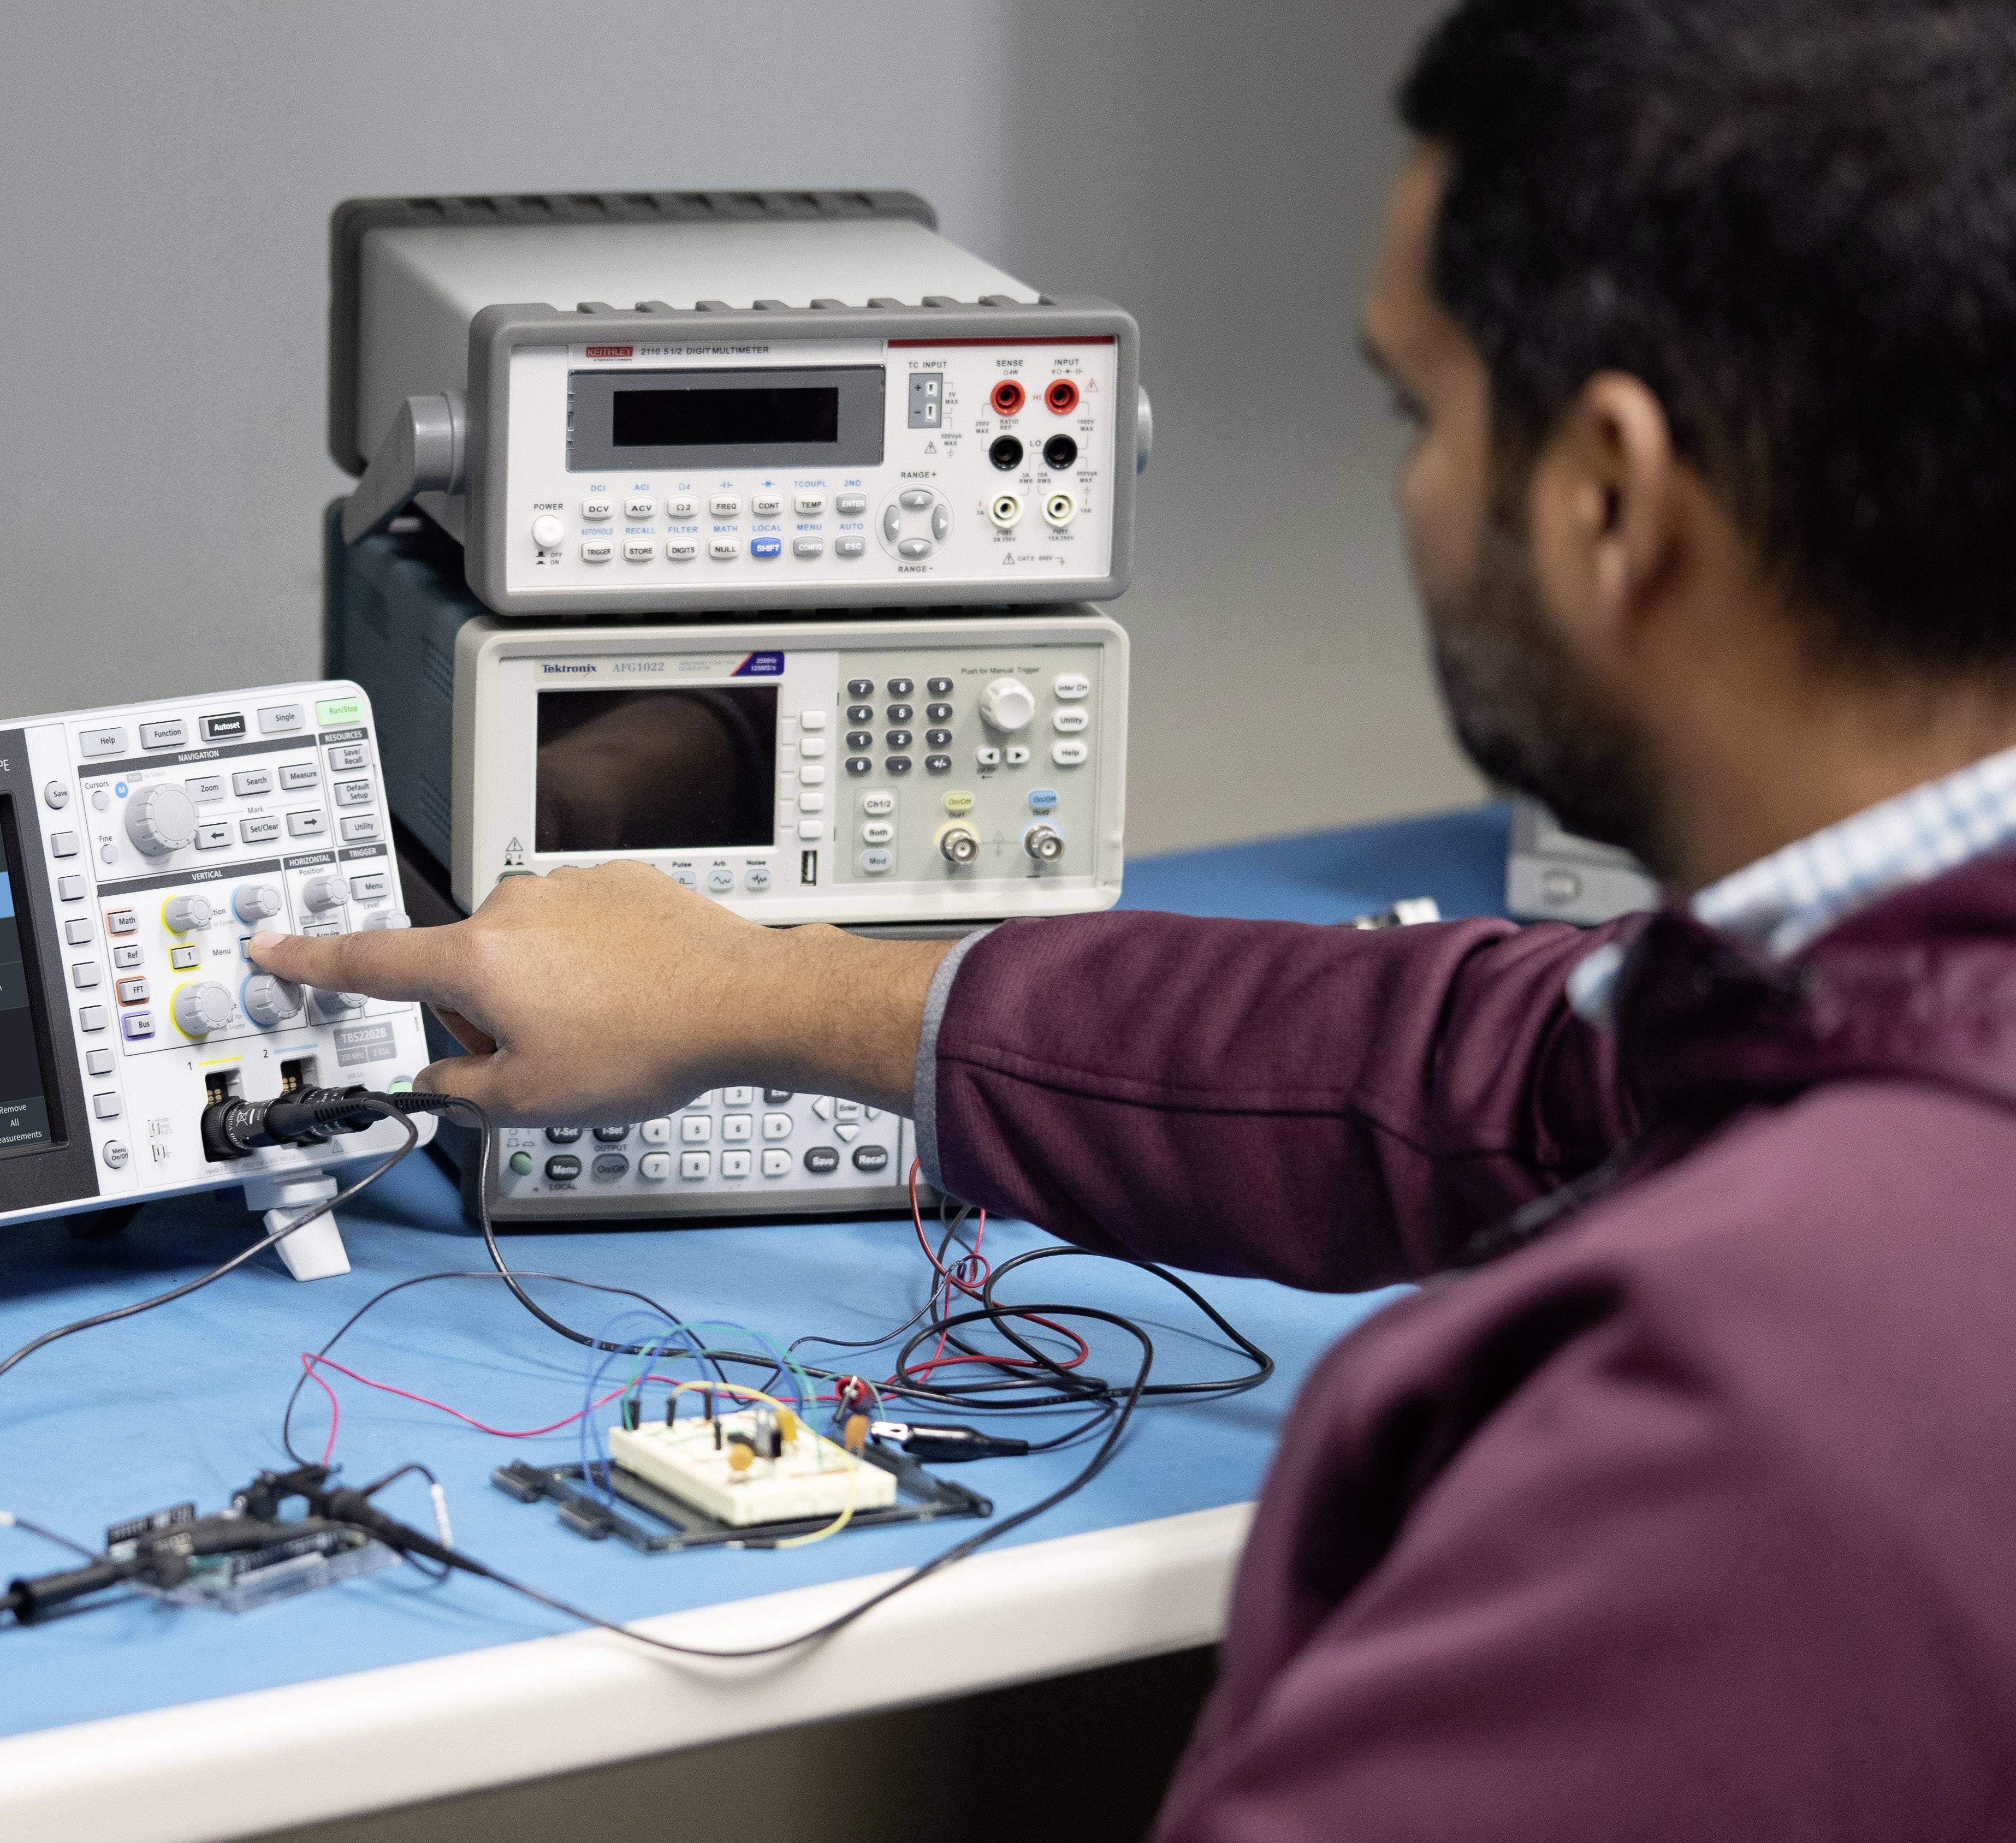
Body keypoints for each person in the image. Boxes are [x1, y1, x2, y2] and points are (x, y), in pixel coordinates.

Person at [253, 1, 2016, 1833]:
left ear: (1608, 499)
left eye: (1421, 412)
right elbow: (1493, 1064)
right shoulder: (1875, 1001)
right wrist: (763, 992)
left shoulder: (1772, 1411)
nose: (1404, 485)